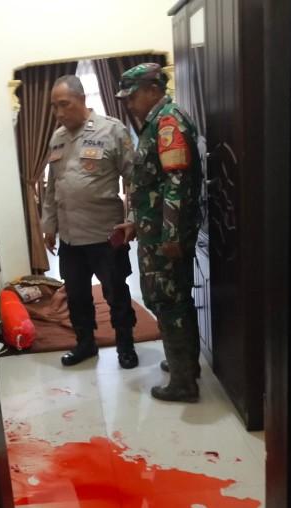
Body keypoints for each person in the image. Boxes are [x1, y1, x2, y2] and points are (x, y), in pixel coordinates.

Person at [113, 63, 203, 401]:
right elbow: (151, 184)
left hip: (165, 237)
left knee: (168, 301)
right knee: (173, 299)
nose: (129, 103)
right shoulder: (156, 122)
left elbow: (176, 182)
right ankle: (185, 365)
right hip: (156, 232)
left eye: (132, 96)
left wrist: (171, 235)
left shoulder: (167, 122)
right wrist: (135, 222)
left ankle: (183, 383)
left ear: (153, 90)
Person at [41, 75, 138, 369]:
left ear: (82, 100)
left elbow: (135, 180)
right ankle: (85, 344)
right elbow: (52, 186)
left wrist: (133, 219)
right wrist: (49, 225)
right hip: (71, 237)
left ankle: (125, 345)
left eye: (64, 104)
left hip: (105, 234)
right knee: (77, 296)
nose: (59, 113)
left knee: (116, 293)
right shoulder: (57, 138)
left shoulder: (112, 130)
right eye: (54, 106)